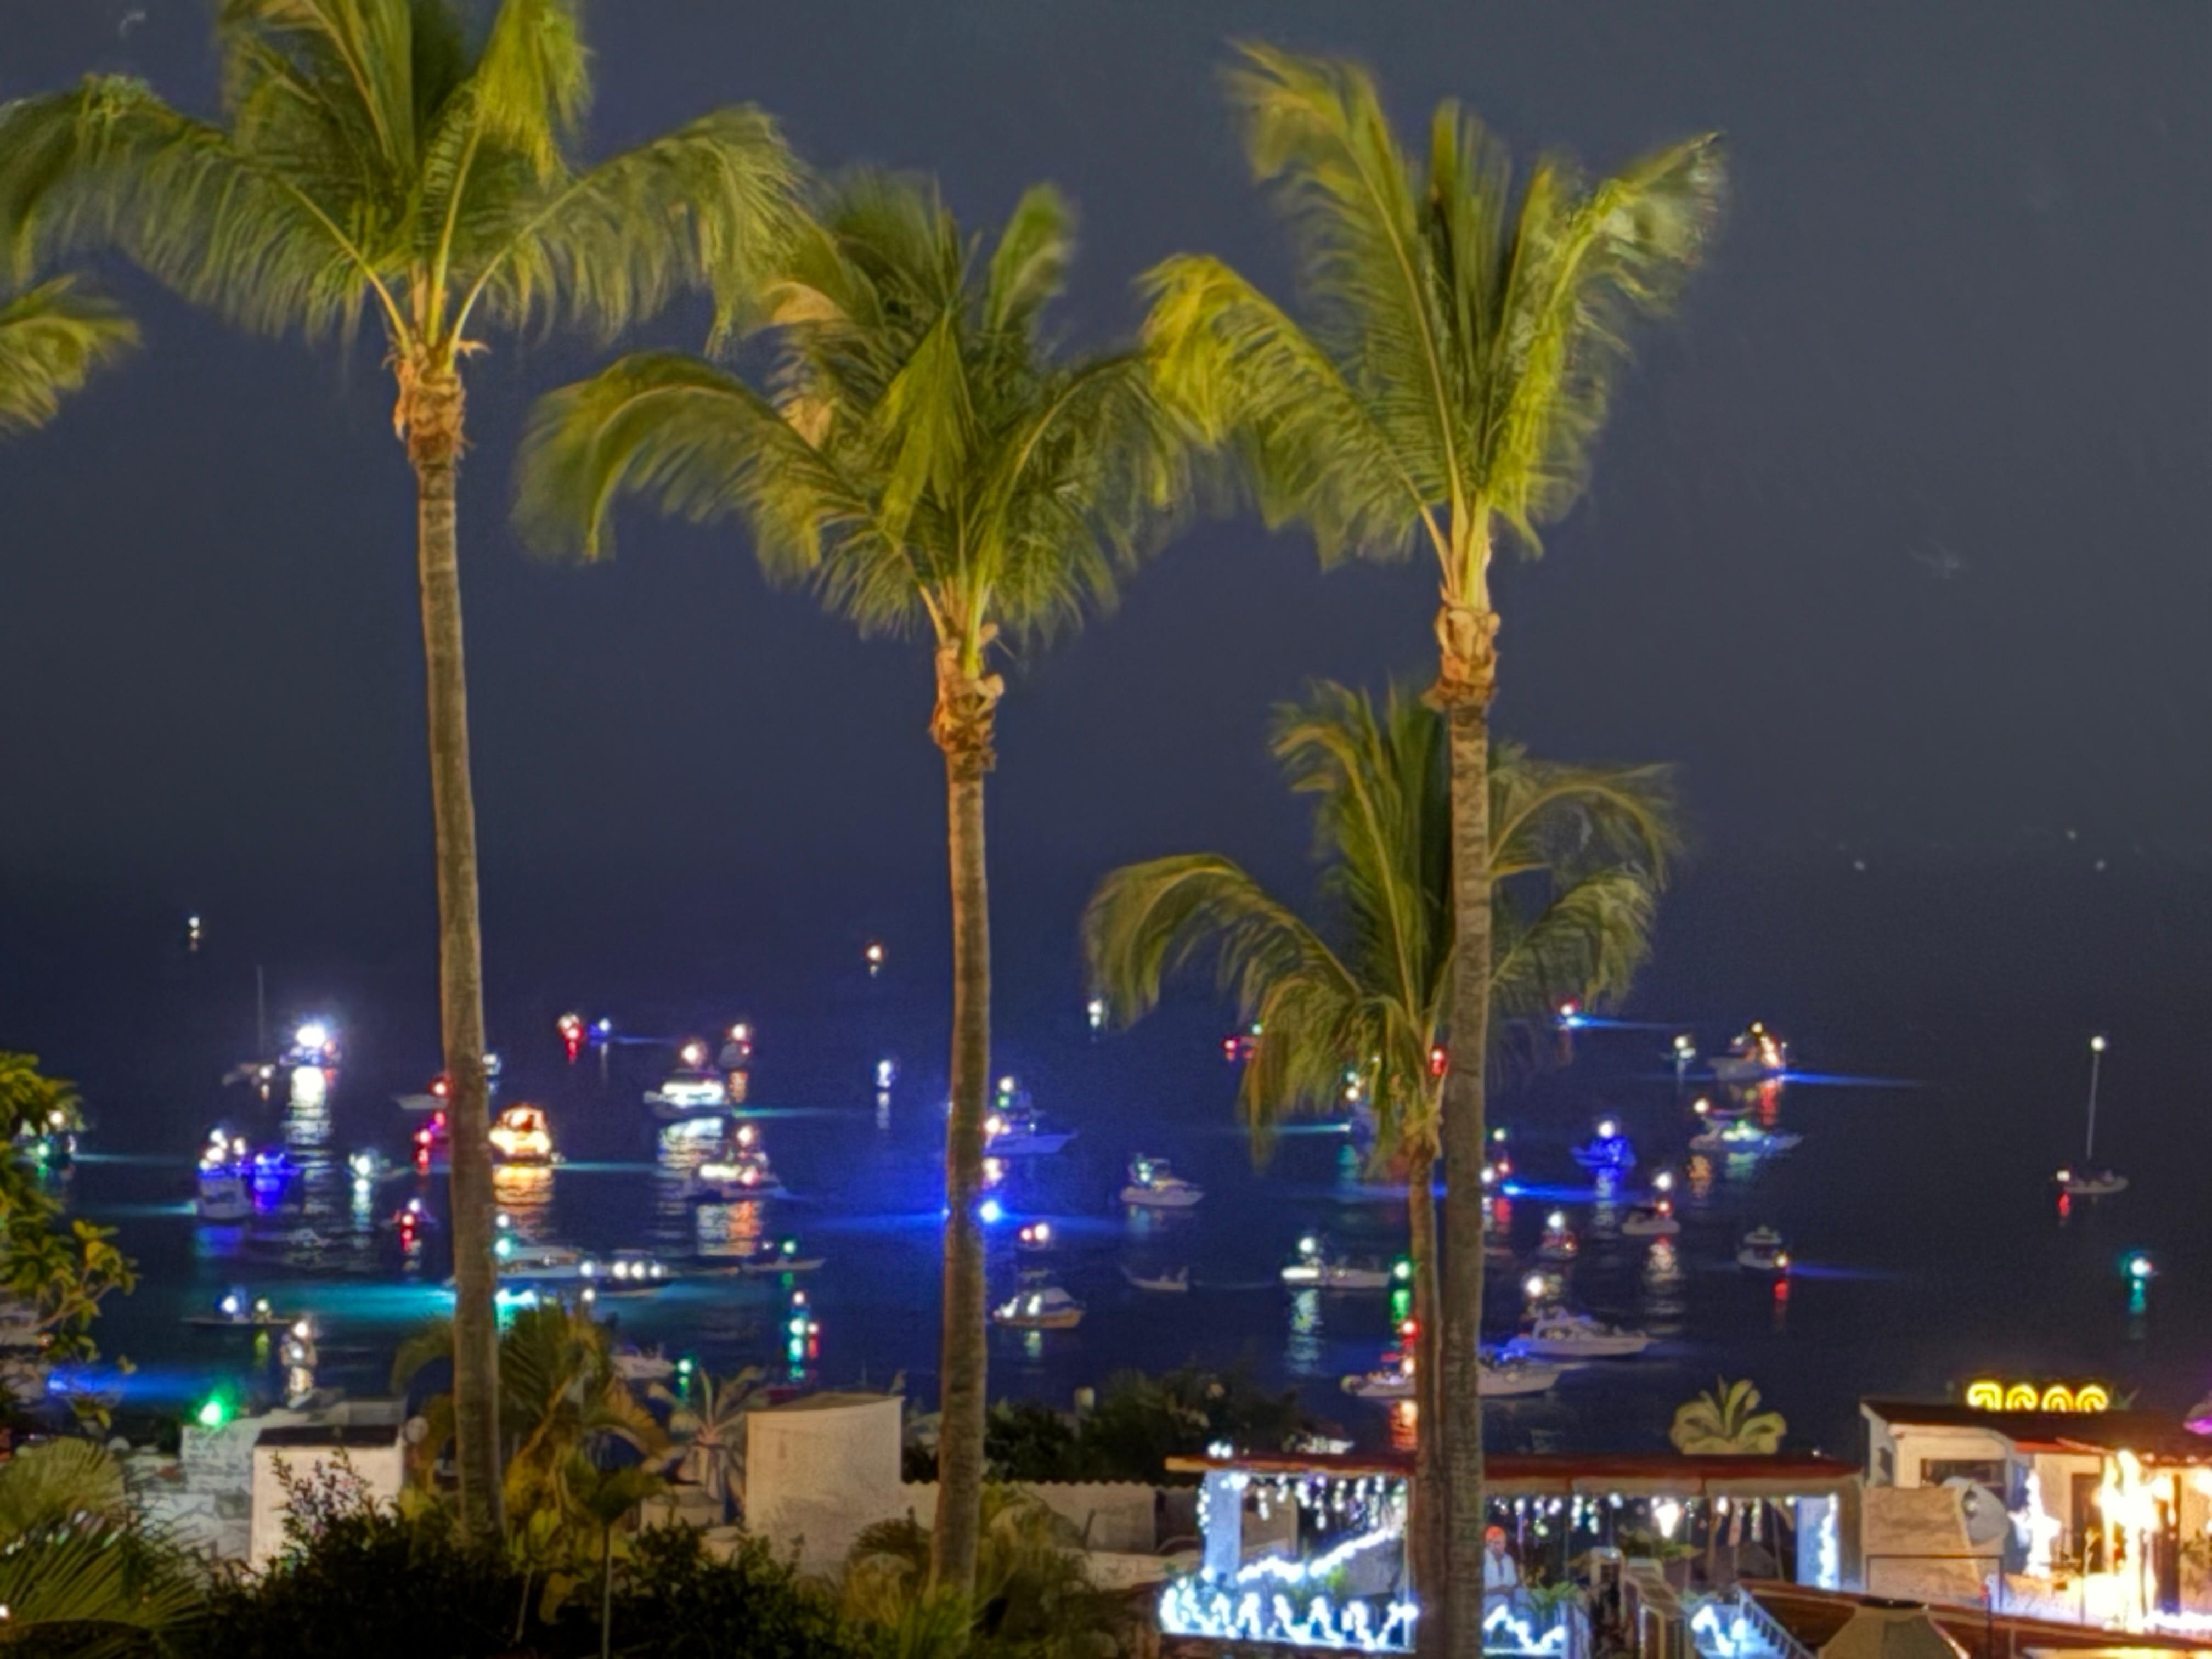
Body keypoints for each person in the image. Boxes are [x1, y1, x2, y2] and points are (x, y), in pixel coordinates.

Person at [1484, 1525, 1523, 1610]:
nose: (1503, 1546)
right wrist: (1499, 1590)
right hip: (1486, 1605)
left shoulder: (1508, 1560)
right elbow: (1481, 1589)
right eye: (1498, 1543)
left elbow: (1513, 1583)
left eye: (1504, 1542)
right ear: (1489, 1543)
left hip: (1506, 1604)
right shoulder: (1482, 1559)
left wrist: (1510, 1590)